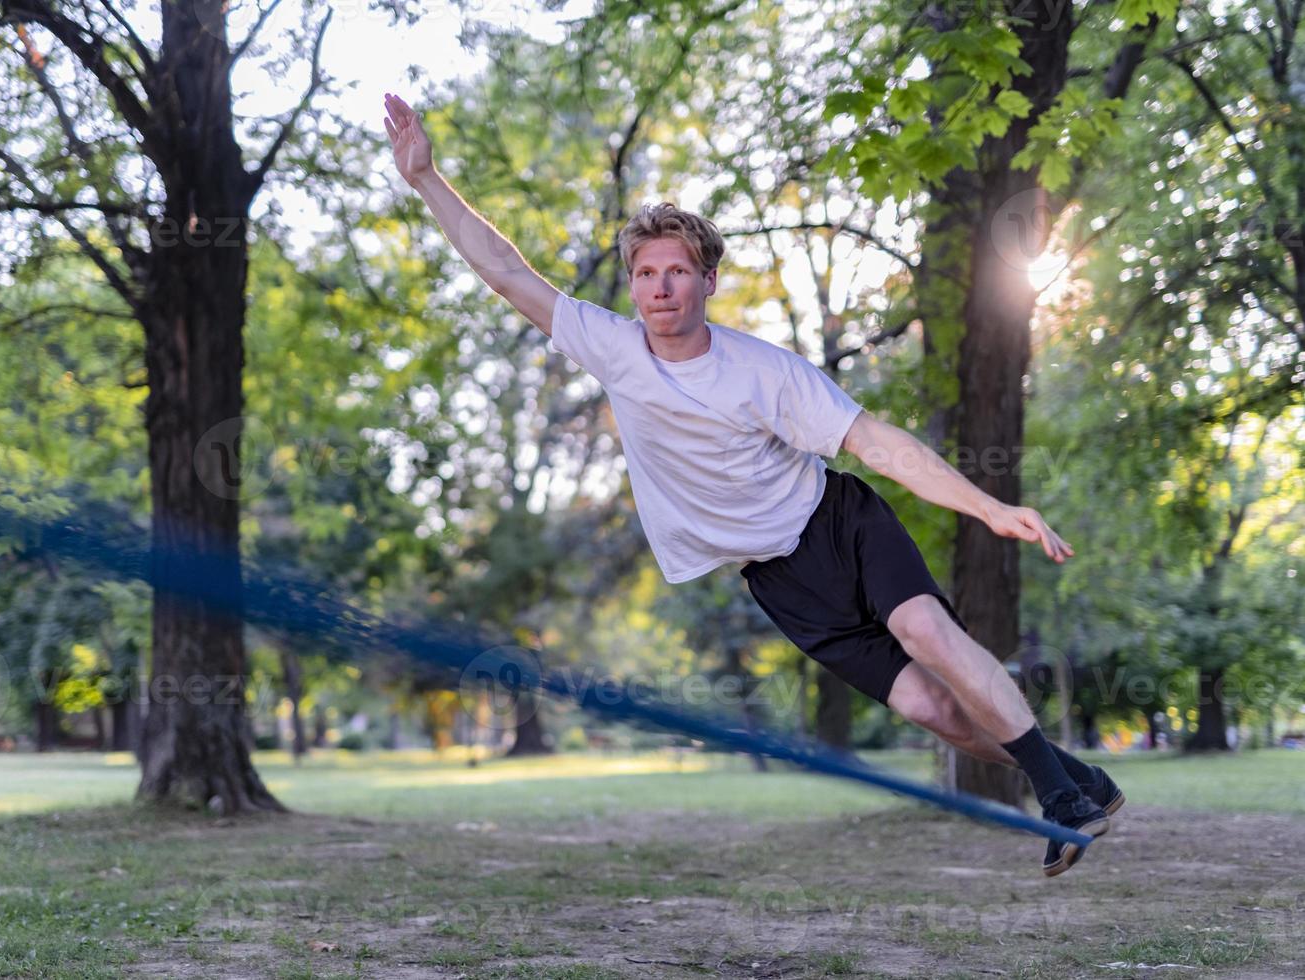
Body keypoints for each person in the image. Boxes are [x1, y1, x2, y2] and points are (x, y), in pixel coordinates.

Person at [383, 92, 1123, 877]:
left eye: (677, 272)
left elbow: (873, 442)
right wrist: (427, 178)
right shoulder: (614, 350)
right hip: (778, 578)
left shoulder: (763, 372)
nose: (660, 287)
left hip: (838, 525)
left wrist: (988, 506)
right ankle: (1076, 781)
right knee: (928, 709)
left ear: (707, 282)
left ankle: (1059, 799)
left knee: (928, 634)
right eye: (644, 274)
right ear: (632, 286)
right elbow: (505, 271)